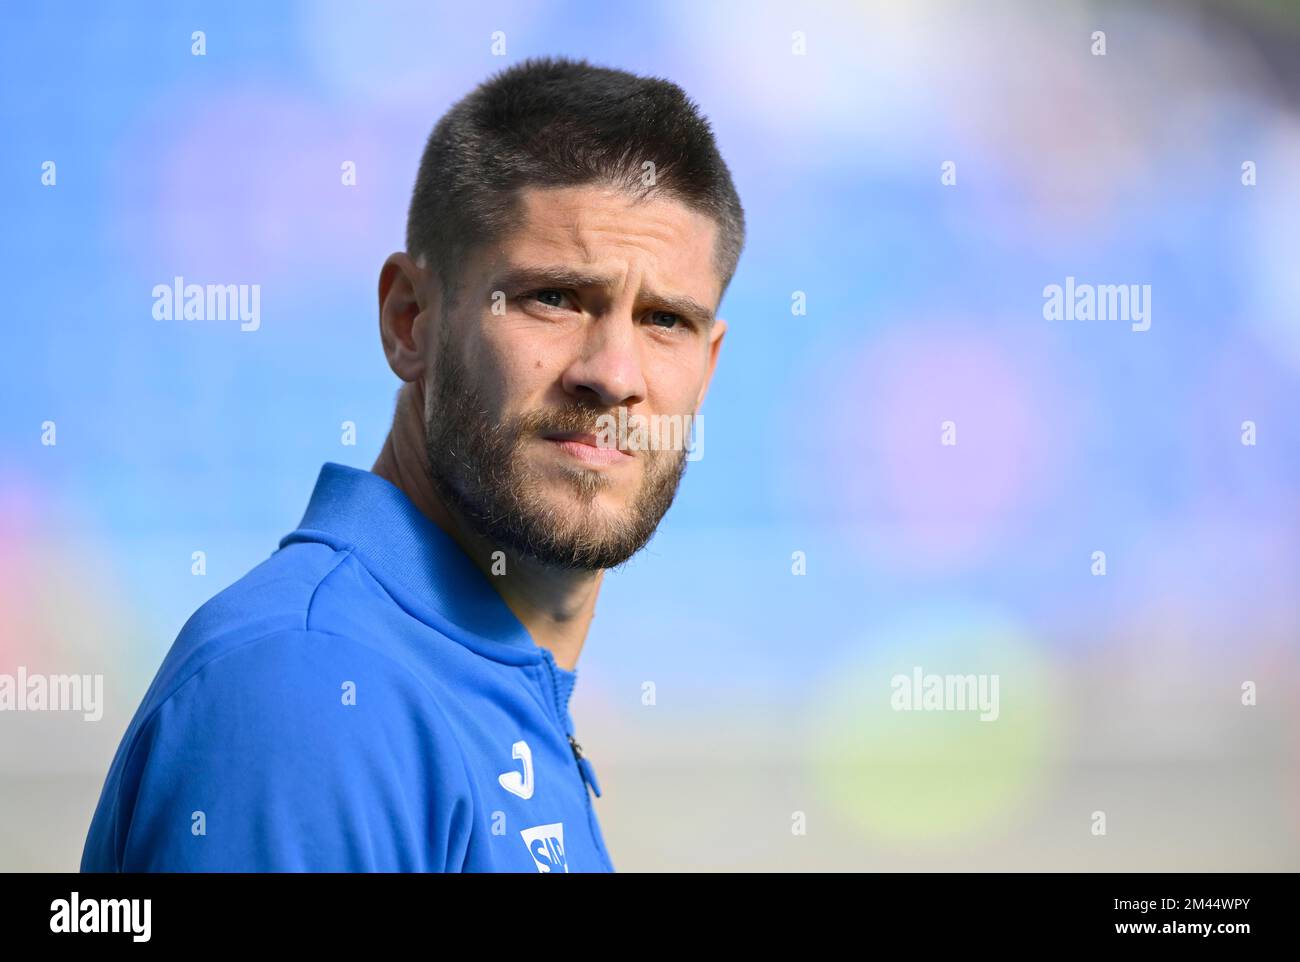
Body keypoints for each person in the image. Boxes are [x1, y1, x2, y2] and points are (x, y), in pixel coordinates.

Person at [80, 55, 746, 872]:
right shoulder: (312, 686)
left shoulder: (469, 684)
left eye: (665, 320)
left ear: (708, 367)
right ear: (409, 320)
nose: (612, 374)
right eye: (555, 298)